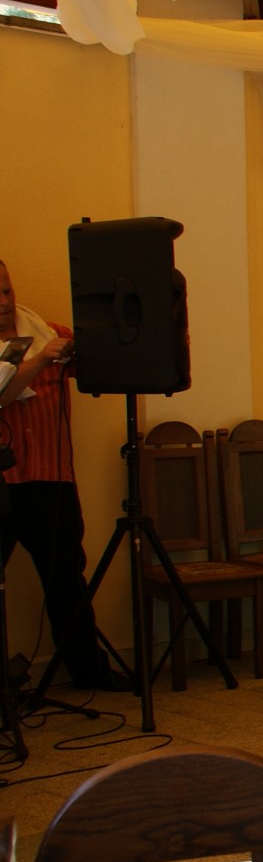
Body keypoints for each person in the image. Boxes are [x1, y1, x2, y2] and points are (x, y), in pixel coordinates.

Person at [0, 259, 131, 692]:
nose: (4, 302)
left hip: (49, 477)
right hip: (2, 483)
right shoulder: (43, 351)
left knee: (66, 581)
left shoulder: (47, 332)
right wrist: (40, 360)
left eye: (7, 290)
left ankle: (88, 671)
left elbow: (104, 369)